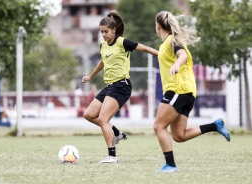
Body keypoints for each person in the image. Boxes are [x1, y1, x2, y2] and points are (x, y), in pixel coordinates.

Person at [153, 11, 231, 172]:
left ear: (158, 26)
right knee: (179, 135)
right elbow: (170, 55)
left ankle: (170, 165)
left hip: (177, 90)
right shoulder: (167, 43)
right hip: (187, 93)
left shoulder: (172, 41)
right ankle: (214, 126)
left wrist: (177, 64)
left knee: (159, 126)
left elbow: (182, 56)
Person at [82, 10, 158, 163]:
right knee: (89, 115)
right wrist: (91, 76)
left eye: (106, 31)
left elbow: (142, 47)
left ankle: (112, 157)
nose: (103, 34)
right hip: (110, 86)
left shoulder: (122, 42)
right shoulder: (103, 45)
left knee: (103, 119)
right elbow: (103, 61)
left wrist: (161, 53)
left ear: (114, 30)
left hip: (121, 86)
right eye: (101, 32)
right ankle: (116, 133)